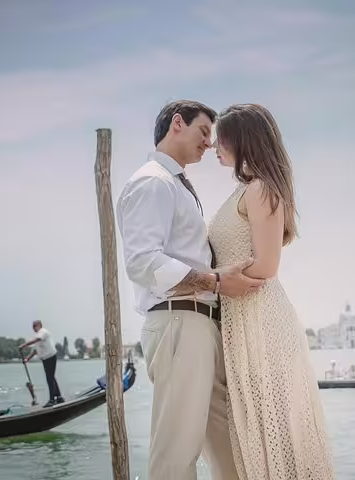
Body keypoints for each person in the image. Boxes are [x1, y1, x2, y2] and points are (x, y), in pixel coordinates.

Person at [116, 100, 264, 479]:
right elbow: (142, 262)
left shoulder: (174, 184)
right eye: (203, 132)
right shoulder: (153, 182)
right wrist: (215, 280)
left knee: (228, 448)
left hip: (201, 323)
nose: (209, 143)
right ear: (177, 123)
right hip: (179, 320)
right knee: (176, 451)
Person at [209, 103, 334, 478]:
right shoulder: (244, 190)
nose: (215, 144)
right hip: (241, 319)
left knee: (276, 426)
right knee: (257, 427)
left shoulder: (261, 188)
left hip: (260, 319)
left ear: (242, 139)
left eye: (221, 137)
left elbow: (266, 267)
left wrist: (209, 276)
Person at [19, 320, 64, 407]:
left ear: (39, 325)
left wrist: (23, 345)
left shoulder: (43, 332)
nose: (33, 328)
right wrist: (27, 359)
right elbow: (36, 350)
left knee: (49, 378)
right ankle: (59, 397)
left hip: (50, 357)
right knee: (51, 377)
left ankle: (52, 400)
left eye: (34, 326)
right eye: (32, 326)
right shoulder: (37, 335)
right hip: (45, 358)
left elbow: (37, 339)